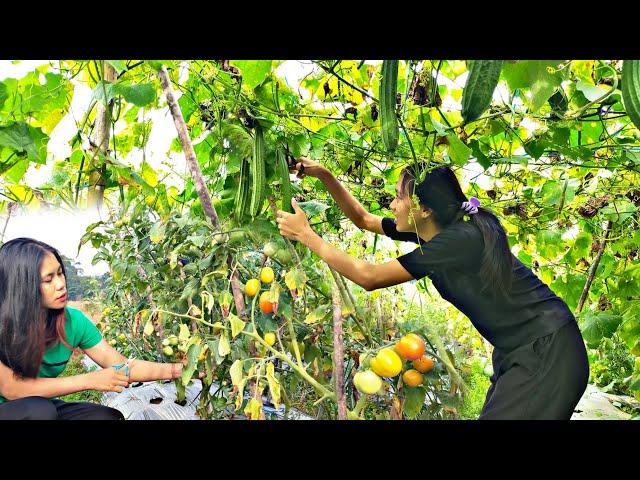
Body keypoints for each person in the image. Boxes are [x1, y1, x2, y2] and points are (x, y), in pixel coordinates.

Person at [275, 158, 589, 420]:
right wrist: (324, 175)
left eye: (399, 196)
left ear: (424, 209)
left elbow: (368, 277)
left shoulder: (459, 240)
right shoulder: (434, 232)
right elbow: (363, 219)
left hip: (548, 350)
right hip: (522, 350)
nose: (393, 203)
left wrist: (307, 236)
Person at [0, 238, 188, 420]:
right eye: (48, 280)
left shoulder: (73, 322)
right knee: (40, 411)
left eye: (60, 273)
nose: (60, 284)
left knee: (106, 417)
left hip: (41, 405)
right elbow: (12, 389)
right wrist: (90, 380)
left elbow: (122, 366)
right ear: (22, 287)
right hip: (15, 407)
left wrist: (180, 370)